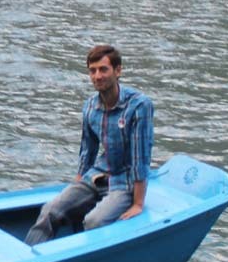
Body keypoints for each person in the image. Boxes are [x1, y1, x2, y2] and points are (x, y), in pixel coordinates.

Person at [24, 44, 154, 246]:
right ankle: (28, 259)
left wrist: (138, 203)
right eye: (92, 71)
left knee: (94, 221)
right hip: (98, 175)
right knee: (50, 210)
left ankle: (81, 260)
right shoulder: (91, 107)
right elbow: (88, 150)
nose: (97, 76)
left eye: (103, 69)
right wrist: (77, 186)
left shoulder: (138, 106)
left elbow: (141, 157)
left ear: (118, 71)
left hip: (125, 181)